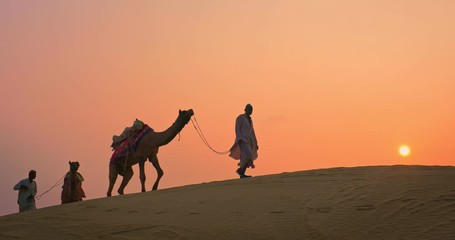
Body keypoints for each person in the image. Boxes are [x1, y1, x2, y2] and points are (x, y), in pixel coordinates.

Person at [229, 104, 259, 178]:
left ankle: (242, 173)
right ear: (245, 109)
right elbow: (237, 128)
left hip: (249, 141)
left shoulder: (250, 120)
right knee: (248, 154)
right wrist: (239, 138)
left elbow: (252, 132)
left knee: (248, 157)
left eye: (251, 109)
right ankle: (240, 170)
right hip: (242, 140)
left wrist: (255, 143)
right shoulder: (240, 118)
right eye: (249, 109)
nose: (250, 110)